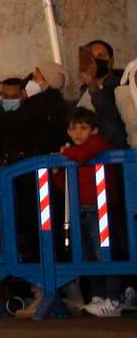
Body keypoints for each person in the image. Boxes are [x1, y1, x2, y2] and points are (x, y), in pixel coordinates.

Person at [59, 109, 120, 317]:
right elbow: (65, 185)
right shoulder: (75, 152)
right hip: (81, 207)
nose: (78, 133)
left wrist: (64, 153)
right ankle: (98, 295)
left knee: (104, 250)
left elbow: (84, 154)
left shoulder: (96, 144)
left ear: (94, 130)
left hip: (99, 207)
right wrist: (58, 171)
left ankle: (113, 298)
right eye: (73, 128)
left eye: (84, 128)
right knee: (87, 253)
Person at [77, 40, 125, 148]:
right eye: (92, 57)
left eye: (101, 56)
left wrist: (93, 86)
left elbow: (110, 115)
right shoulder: (84, 90)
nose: (96, 61)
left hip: (116, 155)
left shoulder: (120, 85)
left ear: (111, 62)